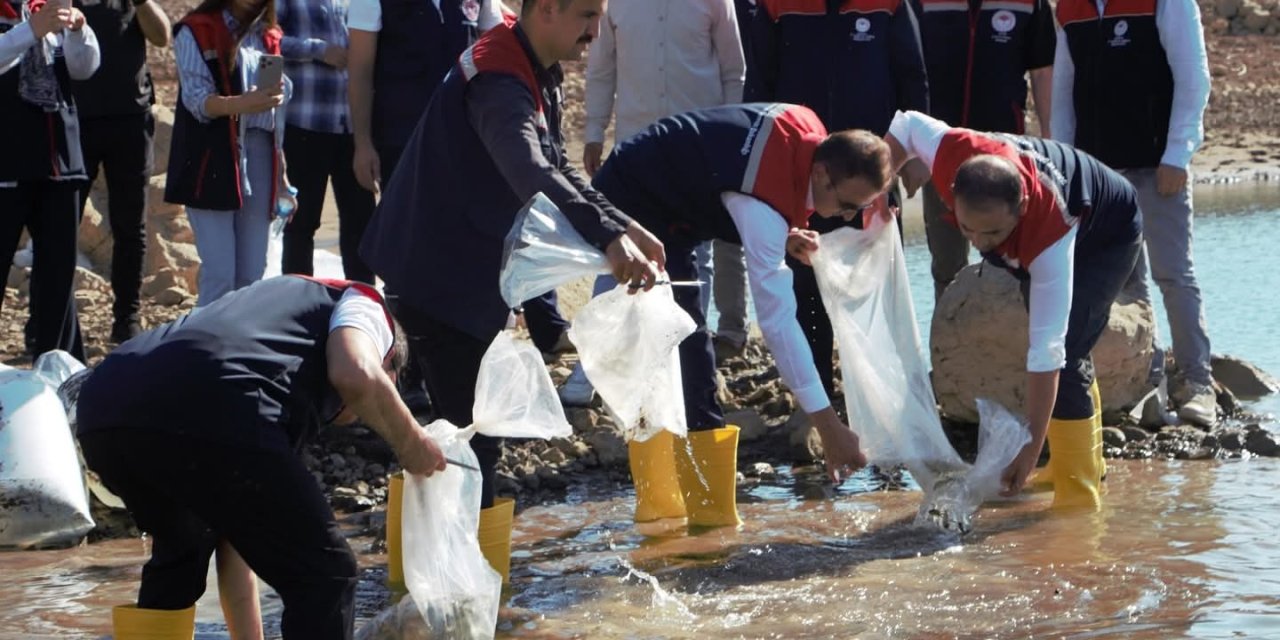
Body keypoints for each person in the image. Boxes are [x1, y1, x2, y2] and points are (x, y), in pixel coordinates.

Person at [359, 0, 662, 581]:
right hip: (437, 275)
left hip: (462, 271)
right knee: (472, 435)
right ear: (545, 9)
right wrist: (607, 240)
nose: (596, 32)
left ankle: (441, 580)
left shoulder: (532, 64)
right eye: (587, 16)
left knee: (465, 432)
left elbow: (558, 165)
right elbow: (529, 170)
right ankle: (461, 589)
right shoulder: (499, 77)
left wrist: (623, 226)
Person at [792, 109, 1142, 509]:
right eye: (966, 228)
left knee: (1070, 349)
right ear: (952, 193)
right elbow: (906, 126)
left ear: (1021, 207)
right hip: (1044, 207)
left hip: (1108, 231)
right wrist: (880, 196)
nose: (979, 243)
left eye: (992, 232)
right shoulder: (952, 153)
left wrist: (1029, 449)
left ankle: (1080, 494)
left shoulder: (1049, 240)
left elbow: (1047, 352)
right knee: (1065, 343)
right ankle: (1069, 464)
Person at [75, 275, 444, 639]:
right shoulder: (365, 303)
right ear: (388, 358)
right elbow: (355, 372)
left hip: (105, 406)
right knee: (325, 573)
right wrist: (413, 444)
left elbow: (237, 543)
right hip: (216, 402)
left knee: (183, 554)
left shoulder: (277, 332)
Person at [589, 102, 879, 525]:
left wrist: (783, 235)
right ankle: (699, 518)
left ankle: (678, 510)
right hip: (632, 201)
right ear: (821, 173)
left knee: (681, 349)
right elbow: (777, 322)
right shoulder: (764, 208)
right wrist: (829, 428)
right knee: (685, 348)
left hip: (673, 192)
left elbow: (734, 182)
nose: (848, 217)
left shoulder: (809, 134)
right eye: (849, 205)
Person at [559, 0, 748, 405]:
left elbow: (734, 71)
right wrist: (593, 133)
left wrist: (728, 140)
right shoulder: (613, 3)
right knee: (617, 253)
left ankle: (687, 367)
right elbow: (601, 69)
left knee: (697, 259)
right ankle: (590, 370)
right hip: (635, 152)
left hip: (701, 153)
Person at [746, 0, 928, 401]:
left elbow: (912, 76)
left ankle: (887, 399)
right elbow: (759, 85)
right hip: (803, 172)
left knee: (877, 286)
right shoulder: (776, 4)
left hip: (870, 174)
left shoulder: (890, 3)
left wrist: (912, 155)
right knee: (805, 285)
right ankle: (817, 400)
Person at [1051, 0, 1216, 426]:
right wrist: (1065, 167)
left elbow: (1193, 77)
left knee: (1174, 275)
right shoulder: (1069, 8)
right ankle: (1149, 381)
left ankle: (1198, 384)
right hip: (1097, 174)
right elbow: (1063, 94)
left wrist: (1178, 153)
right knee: (1124, 281)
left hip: (1157, 165)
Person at [911, 0, 1055, 299]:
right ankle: (948, 328)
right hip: (941, 149)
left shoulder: (1030, 3)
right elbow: (908, 67)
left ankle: (1016, 326)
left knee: (1009, 260)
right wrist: (913, 146)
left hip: (1005, 154)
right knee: (947, 265)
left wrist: (1049, 136)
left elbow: (1043, 71)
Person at [165, 0, 295, 308]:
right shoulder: (196, 30)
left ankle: (238, 337)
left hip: (262, 154)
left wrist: (281, 176)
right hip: (211, 159)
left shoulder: (268, 33)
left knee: (252, 275)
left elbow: (274, 120)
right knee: (220, 274)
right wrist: (242, 103)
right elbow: (197, 101)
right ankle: (206, 338)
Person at [62, 0, 168, 344]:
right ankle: (49, 319)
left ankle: (127, 318)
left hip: (130, 119)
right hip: (74, 119)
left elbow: (162, 36)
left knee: (130, 226)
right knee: (60, 225)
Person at [0, 0, 99, 362]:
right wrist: (30, 30)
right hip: (7, 164)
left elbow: (84, 68)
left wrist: (78, 31)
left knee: (58, 275)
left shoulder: (46, 9)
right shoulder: (24, 18)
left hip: (60, 163)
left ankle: (57, 367)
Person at [346, 0, 505, 194]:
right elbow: (360, 72)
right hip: (402, 141)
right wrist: (363, 144)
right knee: (406, 212)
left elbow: (498, 58)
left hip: (465, 136)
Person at [276, 0, 375, 283]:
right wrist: (318, 50)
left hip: (353, 128)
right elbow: (265, 39)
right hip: (305, 123)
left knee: (361, 221)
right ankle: (297, 302)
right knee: (301, 223)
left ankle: (362, 299)